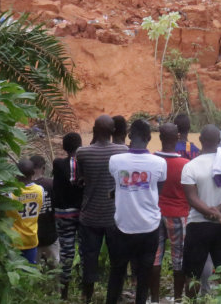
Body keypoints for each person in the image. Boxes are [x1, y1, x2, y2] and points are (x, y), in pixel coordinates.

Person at [180, 125, 221, 299]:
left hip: (197, 226)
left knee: (191, 275)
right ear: (219, 141)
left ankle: (192, 302)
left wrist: (214, 212)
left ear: (201, 140)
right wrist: (220, 210)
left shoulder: (190, 166)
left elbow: (191, 198)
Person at [106, 120, 167, 304]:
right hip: (149, 226)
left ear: (130, 136)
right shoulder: (160, 163)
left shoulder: (115, 160)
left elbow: (116, 183)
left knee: (117, 272)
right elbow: (159, 190)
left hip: (122, 225)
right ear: (150, 138)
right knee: (144, 273)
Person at [76, 115, 127, 304]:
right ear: (114, 132)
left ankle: (87, 296)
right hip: (115, 216)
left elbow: (81, 179)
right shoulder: (123, 150)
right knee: (118, 260)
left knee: (89, 258)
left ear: (95, 131)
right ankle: (115, 296)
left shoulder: (83, 152)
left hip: (89, 216)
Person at [150, 123, 190, 304]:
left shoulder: (152, 161)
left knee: (155, 257)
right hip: (178, 214)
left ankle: (155, 299)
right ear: (178, 138)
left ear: (160, 138)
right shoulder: (185, 164)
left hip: (155, 214)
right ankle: (179, 299)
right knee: (179, 257)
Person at [54, 132, 84, 300]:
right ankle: (85, 290)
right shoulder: (82, 163)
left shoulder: (57, 164)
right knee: (85, 250)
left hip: (63, 215)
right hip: (81, 213)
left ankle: (64, 294)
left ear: (64, 147)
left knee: (66, 252)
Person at [9, 159, 44, 264]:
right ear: (33, 173)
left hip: (14, 241)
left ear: (16, 173)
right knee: (30, 271)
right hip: (31, 239)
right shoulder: (40, 190)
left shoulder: (10, 193)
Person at [29, 155, 59, 267]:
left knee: (33, 270)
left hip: (32, 237)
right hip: (50, 235)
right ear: (44, 168)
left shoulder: (23, 187)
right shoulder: (51, 184)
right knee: (55, 268)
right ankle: (57, 285)